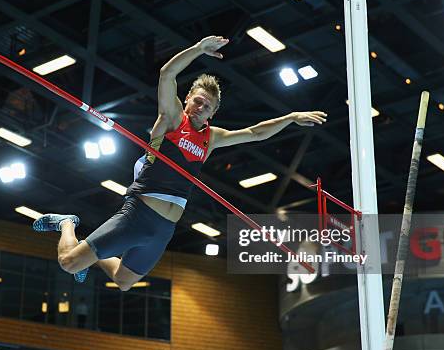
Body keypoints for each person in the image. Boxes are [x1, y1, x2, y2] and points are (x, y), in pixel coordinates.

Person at [33, 36, 327, 290]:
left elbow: (255, 133)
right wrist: (199, 48)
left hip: (164, 229)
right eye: (198, 101)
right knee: (69, 263)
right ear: (187, 99)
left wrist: (290, 118)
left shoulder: (212, 137)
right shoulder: (173, 118)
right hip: (138, 214)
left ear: (212, 113)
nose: (200, 108)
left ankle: (92, 254)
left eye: (207, 106)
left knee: (123, 281)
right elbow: (166, 74)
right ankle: (68, 224)